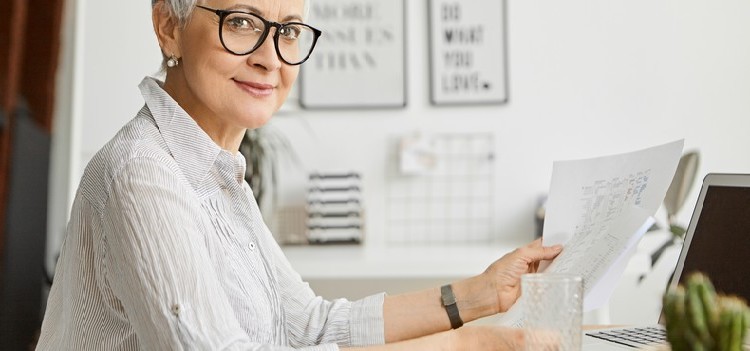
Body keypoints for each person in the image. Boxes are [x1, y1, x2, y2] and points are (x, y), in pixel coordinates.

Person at [36, 0, 564, 349]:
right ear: (169, 27)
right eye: (241, 21)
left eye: (287, 31)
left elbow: (308, 325)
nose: (271, 59)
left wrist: (483, 295)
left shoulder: (217, 174)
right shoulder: (139, 174)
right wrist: (471, 343)